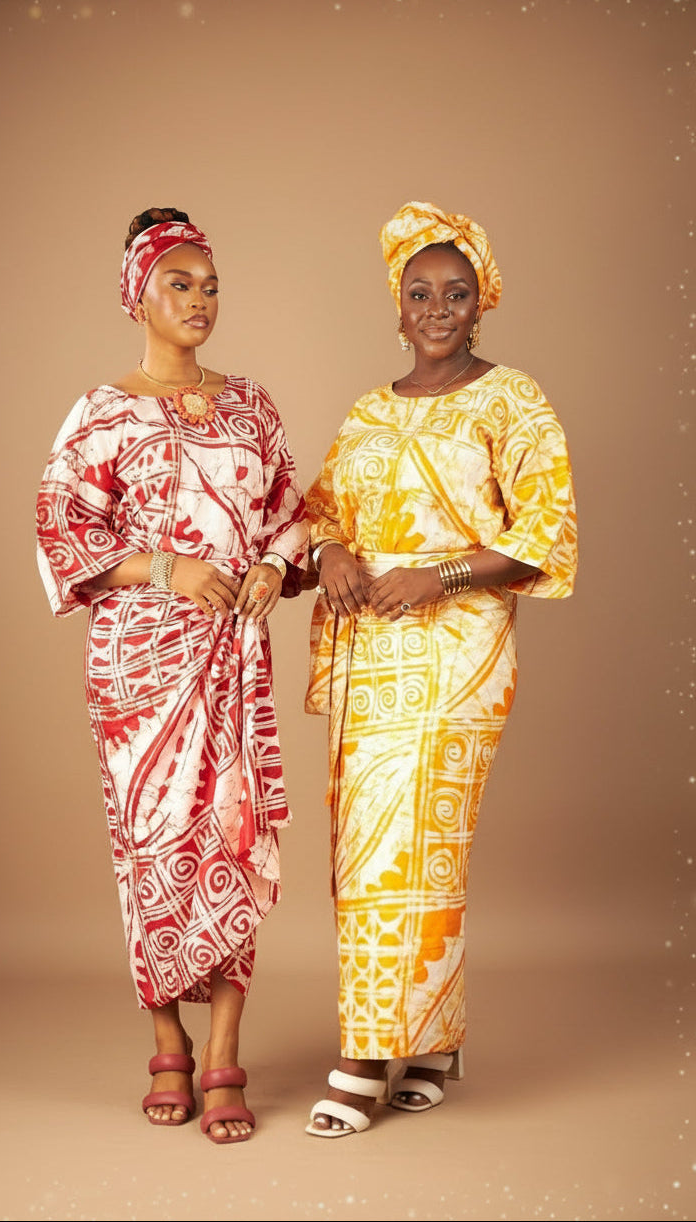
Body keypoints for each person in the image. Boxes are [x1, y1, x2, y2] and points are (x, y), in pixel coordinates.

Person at [304, 201, 577, 1137]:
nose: (435, 307)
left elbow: (544, 537)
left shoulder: (514, 401)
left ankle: (365, 1056)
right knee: (378, 850)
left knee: (406, 843)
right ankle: (430, 1039)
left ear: (479, 303)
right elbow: (319, 514)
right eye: (418, 292)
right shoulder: (367, 411)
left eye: (454, 293)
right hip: (366, 654)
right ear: (396, 304)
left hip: (459, 649)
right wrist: (333, 554)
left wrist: (441, 573)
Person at [36, 207, 308, 1145]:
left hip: (231, 661)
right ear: (137, 297)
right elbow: (64, 531)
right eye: (178, 284)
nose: (199, 300)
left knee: (230, 839)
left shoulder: (253, 406)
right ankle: (167, 1042)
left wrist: (273, 565)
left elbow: (288, 513)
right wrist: (168, 569)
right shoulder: (100, 412)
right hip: (139, 668)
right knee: (150, 850)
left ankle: (226, 1049)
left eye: (210, 284)